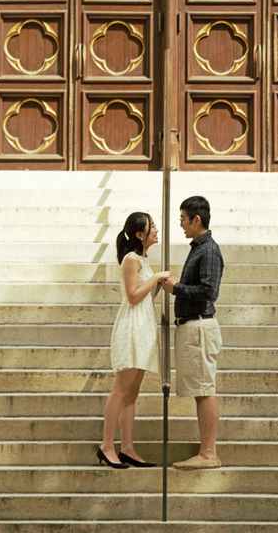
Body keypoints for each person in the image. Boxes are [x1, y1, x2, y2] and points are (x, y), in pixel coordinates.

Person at [97, 211, 170, 469]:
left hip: (143, 327)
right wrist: (156, 277)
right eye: (152, 227)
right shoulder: (130, 258)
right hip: (131, 327)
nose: (156, 230)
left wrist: (159, 282)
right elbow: (132, 296)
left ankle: (126, 447)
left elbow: (146, 296)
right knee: (121, 389)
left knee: (132, 392)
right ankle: (107, 446)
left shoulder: (142, 260)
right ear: (140, 234)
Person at [162, 195, 225, 470]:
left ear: (196, 220)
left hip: (199, 325)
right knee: (201, 389)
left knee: (204, 389)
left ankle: (208, 452)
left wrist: (176, 288)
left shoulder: (208, 249)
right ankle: (207, 450)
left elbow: (210, 291)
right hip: (192, 326)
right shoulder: (199, 247)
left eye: (183, 220)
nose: (181, 225)